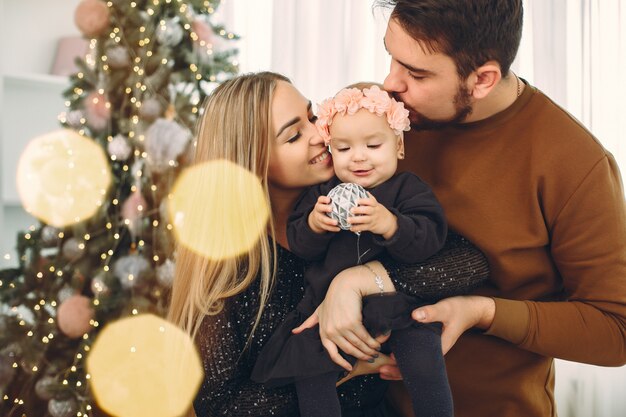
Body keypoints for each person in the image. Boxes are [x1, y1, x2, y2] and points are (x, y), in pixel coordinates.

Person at [304, 1, 626, 416]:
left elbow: (615, 330)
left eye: (416, 73)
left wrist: (481, 312)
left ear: (482, 80)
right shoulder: (380, 121)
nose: (389, 82)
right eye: (391, 57)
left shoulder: (574, 163)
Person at [167, 71, 490, 417]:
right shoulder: (231, 269)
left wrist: (352, 283)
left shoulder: (361, 184)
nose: (319, 136)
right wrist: (343, 366)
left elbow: (467, 262)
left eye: (312, 116)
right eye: (293, 135)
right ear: (254, 163)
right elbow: (222, 408)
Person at [252, 83, 466, 417]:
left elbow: (430, 241)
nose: (359, 156)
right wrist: (314, 225)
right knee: (312, 372)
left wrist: (390, 225)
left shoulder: (408, 190)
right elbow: (301, 248)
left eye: (373, 145)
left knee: (424, 358)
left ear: (398, 146)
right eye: (343, 148)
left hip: (395, 305)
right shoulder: (321, 195)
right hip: (327, 310)